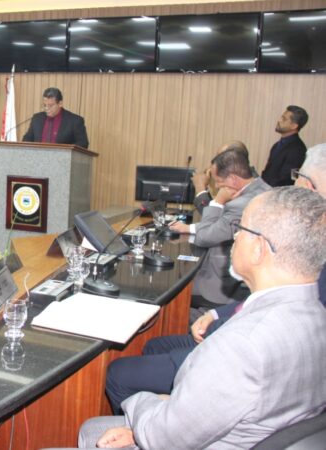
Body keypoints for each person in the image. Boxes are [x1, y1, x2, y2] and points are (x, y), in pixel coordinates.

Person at [61, 186, 326, 449]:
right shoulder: (317, 316)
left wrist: (151, 401)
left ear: (259, 249)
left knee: (90, 430)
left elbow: (162, 438)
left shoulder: (242, 345)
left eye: (240, 229)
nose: (234, 237)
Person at [104, 143, 326, 414]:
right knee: (154, 345)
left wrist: (162, 406)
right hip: (234, 314)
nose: (236, 236)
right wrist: (219, 314)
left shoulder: (262, 207)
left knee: (121, 373)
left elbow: (208, 234)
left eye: (242, 231)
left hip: (229, 332)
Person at [169, 147, 270, 307]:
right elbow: (221, 225)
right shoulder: (262, 187)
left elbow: (205, 237)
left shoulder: (241, 204)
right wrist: (190, 228)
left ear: (233, 179)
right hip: (243, 277)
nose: (216, 186)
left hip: (223, 286)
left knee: (172, 290)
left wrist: (217, 202)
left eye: (218, 181)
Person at [22, 87, 89, 148]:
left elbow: (83, 143)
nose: (46, 108)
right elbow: (27, 139)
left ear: (60, 104)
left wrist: (65, 152)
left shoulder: (75, 121)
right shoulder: (37, 118)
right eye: (45, 105)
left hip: (63, 157)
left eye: (50, 105)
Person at [261, 105, 308, 187]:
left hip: (277, 193)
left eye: (284, 119)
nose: (279, 120)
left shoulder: (298, 150)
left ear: (294, 126)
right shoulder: (277, 145)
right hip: (265, 190)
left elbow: (289, 180)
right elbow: (269, 173)